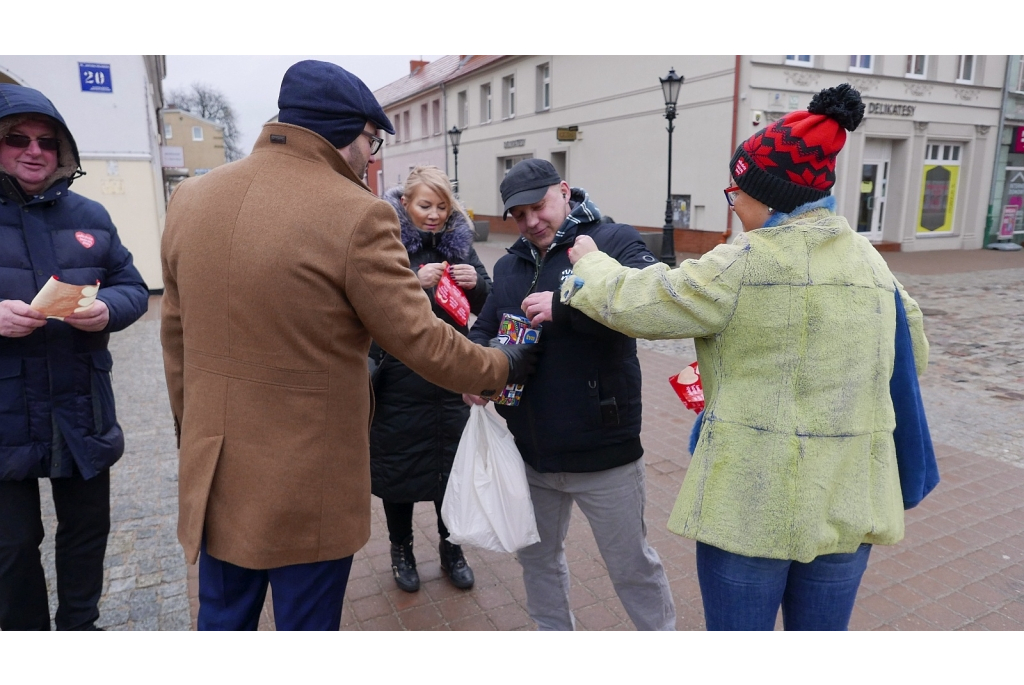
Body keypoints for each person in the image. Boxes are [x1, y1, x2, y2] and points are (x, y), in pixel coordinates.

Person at [160, 60, 537, 631]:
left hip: (215, 469)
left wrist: (195, 437)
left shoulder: (190, 197)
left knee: (221, 621)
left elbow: (175, 342)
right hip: (306, 478)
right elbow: (420, 338)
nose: (371, 154)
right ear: (345, 133)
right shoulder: (356, 213)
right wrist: (498, 365)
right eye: (370, 138)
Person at [563, 84, 929, 631]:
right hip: (845, 501)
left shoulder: (746, 261)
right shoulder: (873, 265)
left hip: (752, 504)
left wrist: (591, 265)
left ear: (770, 194)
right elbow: (911, 356)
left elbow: (644, 302)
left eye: (737, 191)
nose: (733, 202)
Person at [467, 159, 675, 631]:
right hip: (532, 453)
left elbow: (652, 302)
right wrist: (475, 371)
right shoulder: (509, 265)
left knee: (631, 569)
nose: (532, 222)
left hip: (605, 451)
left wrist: (565, 307)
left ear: (564, 191)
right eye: (518, 215)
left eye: (539, 206)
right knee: (538, 563)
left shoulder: (613, 241)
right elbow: (484, 330)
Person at [0, 84, 149, 630]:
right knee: (13, 547)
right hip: (6, 410)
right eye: (17, 138)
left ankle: (80, 630)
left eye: (47, 140)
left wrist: (107, 308)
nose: (33, 150)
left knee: (86, 531)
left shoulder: (91, 214)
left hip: (79, 402)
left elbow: (132, 285)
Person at [370, 166, 491, 592]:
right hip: (400, 380)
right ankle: (400, 550)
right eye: (425, 205)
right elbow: (372, 304)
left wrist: (477, 282)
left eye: (442, 206)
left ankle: (450, 547)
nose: (435, 214)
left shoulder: (460, 246)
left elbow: (486, 304)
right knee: (398, 474)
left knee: (449, 470)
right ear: (404, 204)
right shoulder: (385, 243)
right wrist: (413, 282)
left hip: (449, 381)